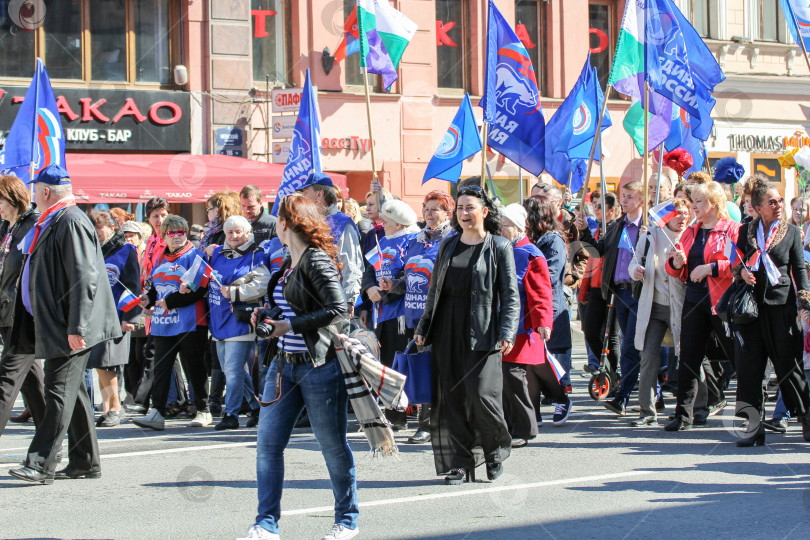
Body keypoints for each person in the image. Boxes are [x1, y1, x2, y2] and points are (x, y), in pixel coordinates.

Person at [241, 193, 355, 540]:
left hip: (318, 365)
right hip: (283, 365)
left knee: (332, 445)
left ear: (286, 223)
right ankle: (266, 523)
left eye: (277, 219)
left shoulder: (316, 260)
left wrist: (288, 326)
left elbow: (339, 309)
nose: (275, 226)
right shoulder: (289, 261)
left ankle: (347, 519)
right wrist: (268, 315)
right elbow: (291, 307)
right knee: (268, 445)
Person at [9, 164, 121, 484]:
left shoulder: (69, 220)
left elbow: (84, 277)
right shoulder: (57, 219)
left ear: (45, 192)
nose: (33, 195)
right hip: (61, 322)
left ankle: (40, 463)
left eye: (36, 189)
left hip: (69, 325)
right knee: (73, 393)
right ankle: (85, 462)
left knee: (57, 391)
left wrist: (77, 327)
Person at [415, 186, 519, 485]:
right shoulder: (448, 245)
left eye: (469, 207)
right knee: (452, 397)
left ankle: (495, 450)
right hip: (446, 328)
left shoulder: (499, 246)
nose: (464, 213)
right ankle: (460, 463)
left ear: (484, 211)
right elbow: (435, 290)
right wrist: (424, 327)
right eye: (460, 207)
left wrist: (507, 331)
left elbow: (510, 295)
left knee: (483, 395)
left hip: (483, 331)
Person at [734, 180, 810, 446]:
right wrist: (742, 272)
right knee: (750, 369)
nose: (778, 206)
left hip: (782, 308)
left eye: (780, 200)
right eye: (772, 202)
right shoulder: (746, 231)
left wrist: (804, 302)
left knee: (788, 367)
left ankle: (805, 416)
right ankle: (753, 427)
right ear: (757, 207)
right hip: (752, 310)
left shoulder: (791, 232)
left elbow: (800, 270)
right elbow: (738, 263)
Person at [379, 190, 455, 444]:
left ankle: (431, 425)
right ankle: (427, 422)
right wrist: (393, 284)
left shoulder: (453, 239)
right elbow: (410, 278)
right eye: (426, 208)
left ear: (448, 213)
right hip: (414, 315)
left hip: (440, 317)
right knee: (422, 370)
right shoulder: (417, 240)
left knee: (437, 370)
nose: (429, 213)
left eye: (435, 209)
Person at [664, 181, 739, 431]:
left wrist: (711, 268)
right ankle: (683, 415)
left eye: (698, 202)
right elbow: (673, 270)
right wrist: (676, 263)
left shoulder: (731, 229)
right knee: (688, 357)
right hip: (694, 300)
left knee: (738, 355)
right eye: (693, 201)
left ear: (714, 204)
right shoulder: (690, 232)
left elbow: (739, 264)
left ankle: (753, 409)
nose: (693, 206)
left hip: (723, 302)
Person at [133, 215, 212, 430]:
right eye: (172, 233)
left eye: (181, 232)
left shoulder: (195, 255)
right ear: (163, 235)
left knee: (194, 367)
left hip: (190, 322)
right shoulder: (160, 258)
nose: (177, 237)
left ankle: (203, 409)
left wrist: (170, 301)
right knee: (161, 368)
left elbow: (200, 288)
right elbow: (156, 286)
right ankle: (157, 412)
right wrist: (148, 298)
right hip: (163, 322)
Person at [576, 181, 645, 416]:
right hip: (619, 292)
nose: (624, 200)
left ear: (642, 201)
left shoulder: (648, 227)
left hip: (640, 292)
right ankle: (647, 392)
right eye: (623, 196)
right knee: (632, 345)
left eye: (629, 197)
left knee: (629, 346)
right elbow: (596, 251)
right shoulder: (617, 226)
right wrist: (584, 230)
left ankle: (623, 396)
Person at [499, 203, 562, 447]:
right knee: (505, 378)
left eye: (505, 227)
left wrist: (543, 322)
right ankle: (512, 425)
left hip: (523, 329)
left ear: (517, 227)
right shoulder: (503, 248)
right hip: (503, 324)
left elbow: (541, 293)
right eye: (500, 226)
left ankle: (525, 429)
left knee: (514, 377)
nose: (501, 230)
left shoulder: (531, 253)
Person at [627, 199, 690, 426]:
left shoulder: (691, 236)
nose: (683, 218)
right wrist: (637, 271)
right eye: (678, 213)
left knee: (689, 357)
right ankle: (647, 412)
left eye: (686, 213)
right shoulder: (651, 235)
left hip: (681, 306)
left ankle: (697, 407)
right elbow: (633, 263)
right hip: (654, 306)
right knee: (649, 357)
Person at [361, 199, 419, 429]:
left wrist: (387, 290)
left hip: (402, 313)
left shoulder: (413, 240)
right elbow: (368, 272)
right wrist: (369, 289)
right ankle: (394, 415)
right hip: (381, 312)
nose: (382, 223)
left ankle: (405, 411)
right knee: (386, 364)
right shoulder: (382, 241)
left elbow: (412, 277)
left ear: (399, 224)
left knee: (401, 364)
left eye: (386, 220)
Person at [208, 215, 270, 430]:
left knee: (233, 369)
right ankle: (257, 407)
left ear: (248, 233)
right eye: (230, 232)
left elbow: (263, 284)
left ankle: (231, 414)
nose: (234, 236)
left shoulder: (256, 255)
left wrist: (235, 292)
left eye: (238, 232)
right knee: (231, 370)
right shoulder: (216, 254)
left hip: (241, 319)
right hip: (218, 318)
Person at [87, 211, 141, 427]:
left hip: (117, 314)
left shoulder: (125, 250)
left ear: (112, 227)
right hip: (96, 314)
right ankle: (108, 407)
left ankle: (116, 407)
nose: (97, 233)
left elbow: (133, 284)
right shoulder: (93, 249)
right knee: (99, 363)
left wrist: (130, 316)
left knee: (108, 362)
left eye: (99, 228)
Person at [0, 175, 42, 435]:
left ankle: (53, 442)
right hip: (5, 312)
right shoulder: (5, 228)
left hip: (23, 315)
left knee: (6, 380)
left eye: (0, 200)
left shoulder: (33, 226)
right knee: (33, 385)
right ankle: (52, 439)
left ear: (14, 197)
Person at [524, 197, 574, 417]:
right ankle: (532, 415)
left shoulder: (553, 240)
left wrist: (522, 279)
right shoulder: (531, 240)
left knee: (542, 360)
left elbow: (551, 275)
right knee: (529, 363)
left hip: (549, 307)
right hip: (530, 306)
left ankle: (562, 398)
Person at [298, 172, 363, 311]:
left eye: (305, 192)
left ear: (319, 194)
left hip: (333, 301)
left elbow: (351, 265)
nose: (302, 197)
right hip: (309, 299)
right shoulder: (309, 222)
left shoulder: (342, 223)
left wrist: (348, 300)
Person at [128, 197, 169, 414]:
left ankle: (143, 400)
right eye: (155, 216)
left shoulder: (171, 238)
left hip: (167, 302)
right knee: (157, 352)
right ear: (149, 218)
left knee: (155, 353)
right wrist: (145, 298)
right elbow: (147, 273)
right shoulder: (152, 240)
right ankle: (173, 400)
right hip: (151, 300)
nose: (160, 220)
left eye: (163, 215)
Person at [578, 192, 620, 375]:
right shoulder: (600, 228)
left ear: (612, 210)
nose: (596, 209)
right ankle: (609, 370)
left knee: (611, 336)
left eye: (600, 206)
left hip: (611, 286)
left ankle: (615, 372)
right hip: (596, 286)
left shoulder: (617, 227)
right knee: (590, 330)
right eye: (594, 205)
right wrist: (586, 230)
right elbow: (593, 255)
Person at [201, 191, 242, 257]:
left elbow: (233, 253)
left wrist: (216, 249)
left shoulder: (228, 229)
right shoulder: (215, 230)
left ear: (216, 210)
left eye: (208, 209)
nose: (207, 213)